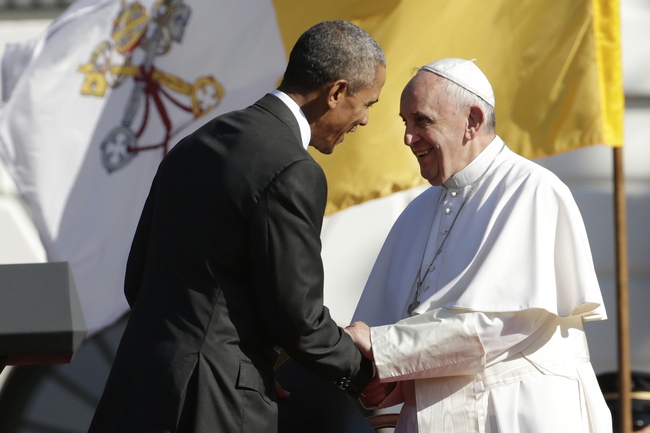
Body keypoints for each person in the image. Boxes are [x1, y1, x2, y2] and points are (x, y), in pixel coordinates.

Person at [88, 20, 385, 433]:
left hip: (137, 389)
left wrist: (250, 357)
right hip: (212, 406)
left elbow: (138, 280)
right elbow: (298, 320)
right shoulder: (294, 169)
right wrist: (367, 375)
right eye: (368, 103)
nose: (366, 120)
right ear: (335, 92)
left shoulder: (193, 144)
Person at [344, 58, 612, 432]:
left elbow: (500, 326)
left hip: (517, 415)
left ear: (472, 120)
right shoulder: (417, 212)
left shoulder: (531, 190)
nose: (408, 137)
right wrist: (381, 379)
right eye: (406, 123)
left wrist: (382, 347)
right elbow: (395, 338)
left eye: (422, 120)